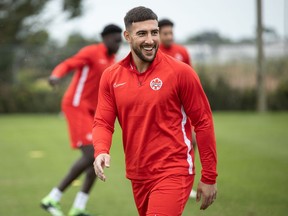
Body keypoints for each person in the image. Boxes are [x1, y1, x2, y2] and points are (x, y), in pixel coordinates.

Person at [93, 6, 217, 216]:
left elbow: (203, 122)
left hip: (174, 169)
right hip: (138, 173)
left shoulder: (181, 73)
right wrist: (101, 150)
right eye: (142, 33)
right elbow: (103, 122)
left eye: (154, 32)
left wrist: (209, 177)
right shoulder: (111, 76)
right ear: (127, 36)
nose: (150, 40)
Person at [41, 24, 122, 216]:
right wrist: (56, 75)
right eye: (115, 40)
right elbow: (68, 64)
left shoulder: (113, 61)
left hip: (94, 113)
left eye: (121, 41)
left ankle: (78, 206)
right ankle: (52, 198)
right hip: (76, 106)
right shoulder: (92, 52)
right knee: (91, 155)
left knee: (98, 156)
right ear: (105, 38)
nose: (118, 44)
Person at [158, 18, 197, 198]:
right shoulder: (154, 53)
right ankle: (163, 179)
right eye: (165, 33)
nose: (169, 36)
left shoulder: (181, 52)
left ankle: (186, 180)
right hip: (163, 108)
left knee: (193, 141)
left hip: (184, 106)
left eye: (171, 33)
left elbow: (191, 76)